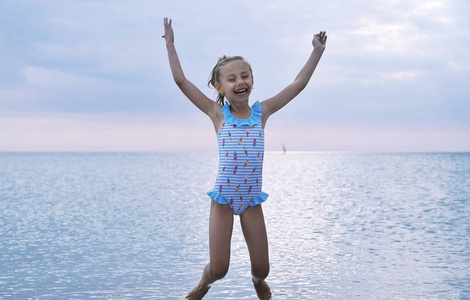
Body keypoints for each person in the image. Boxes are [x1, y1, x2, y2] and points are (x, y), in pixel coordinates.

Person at [162, 17, 326, 300]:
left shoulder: (262, 113)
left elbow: (298, 84)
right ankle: (203, 285)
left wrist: (317, 51)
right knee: (219, 268)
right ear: (219, 87)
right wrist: (171, 44)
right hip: (224, 199)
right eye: (232, 78)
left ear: (252, 80)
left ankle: (256, 281)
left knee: (263, 268)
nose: (240, 81)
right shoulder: (217, 114)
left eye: (245, 76)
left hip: (251, 200)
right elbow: (180, 81)